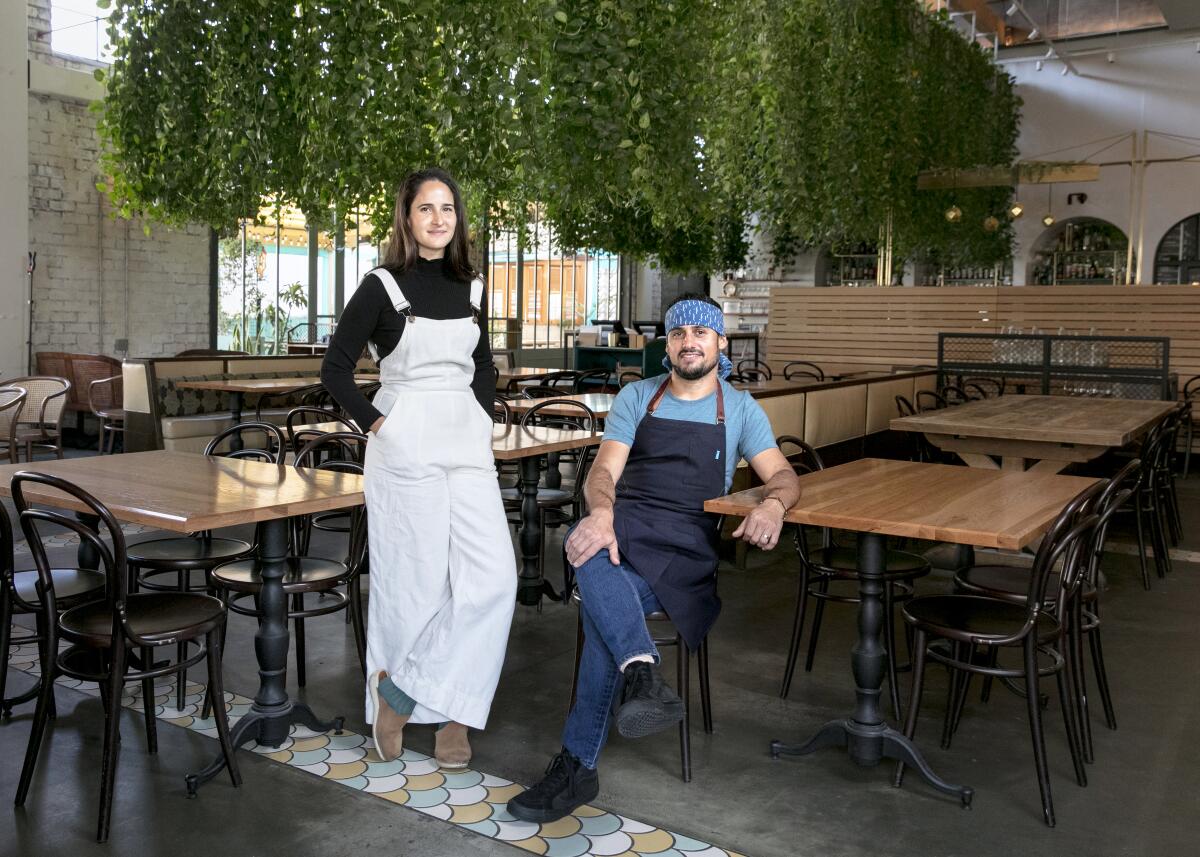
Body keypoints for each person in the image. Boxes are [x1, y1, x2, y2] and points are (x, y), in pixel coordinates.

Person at [507, 293, 800, 822]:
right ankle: (640, 670)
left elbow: (782, 475)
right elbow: (602, 473)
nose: (690, 342)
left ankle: (577, 764)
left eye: (701, 333)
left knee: (602, 610)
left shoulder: (737, 408)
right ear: (667, 343)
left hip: (687, 550)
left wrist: (775, 506)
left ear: (719, 343)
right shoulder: (637, 396)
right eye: (680, 333)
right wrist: (599, 514)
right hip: (626, 531)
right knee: (586, 541)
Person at [321, 168, 515, 769]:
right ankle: (437, 714)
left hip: (466, 440)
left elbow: (483, 364)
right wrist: (384, 426)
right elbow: (335, 370)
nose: (438, 219)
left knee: (493, 580)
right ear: (407, 217)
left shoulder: (472, 286)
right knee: (417, 583)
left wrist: (479, 415)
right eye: (426, 208)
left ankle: (415, 698)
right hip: (405, 442)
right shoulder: (381, 286)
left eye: (448, 208)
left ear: (459, 218)